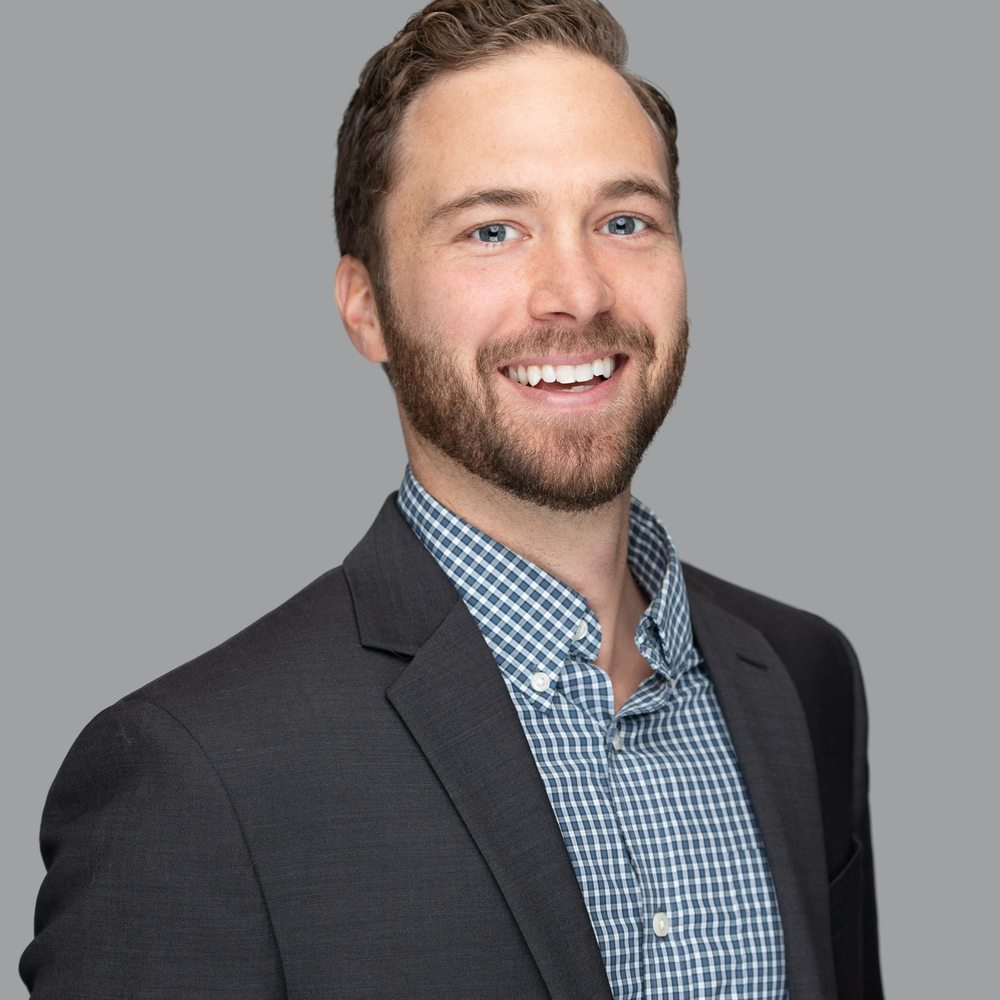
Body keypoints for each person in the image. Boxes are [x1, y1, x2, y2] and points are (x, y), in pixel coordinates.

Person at [20, 1, 882, 997]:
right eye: (492, 230)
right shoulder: (190, 778)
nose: (578, 293)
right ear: (367, 308)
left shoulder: (801, 676)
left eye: (624, 221)